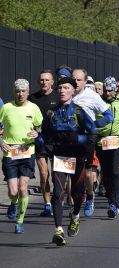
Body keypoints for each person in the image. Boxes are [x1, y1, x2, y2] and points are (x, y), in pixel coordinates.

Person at [41, 77, 97, 246]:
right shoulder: (51, 112)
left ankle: (76, 215)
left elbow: (93, 134)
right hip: (60, 157)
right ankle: (59, 230)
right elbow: (44, 134)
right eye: (60, 88)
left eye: (66, 88)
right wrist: (39, 139)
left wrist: (77, 138)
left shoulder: (79, 111)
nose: (62, 91)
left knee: (76, 194)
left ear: (73, 91)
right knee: (58, 194)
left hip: (78, 157)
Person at [0, 79, 43, 233]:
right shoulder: (6, 108)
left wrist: (36, 133)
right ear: (14, 91)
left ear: (28, 91)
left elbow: (39, 126)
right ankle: (13, 203)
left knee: (23, 188)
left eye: (23, 91)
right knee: (13, 192)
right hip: (10, 153)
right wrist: (0, 141)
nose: (20, 94)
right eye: (18, 91)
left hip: (27, 152)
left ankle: (20, 221)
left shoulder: (34, 108)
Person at [72, 69, 113, 217]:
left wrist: (93, 125)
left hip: (86, 138)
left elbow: (109, 116)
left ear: (84, 81)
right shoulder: (64, 93)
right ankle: (74, 204)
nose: (75, 82)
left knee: (88, 174)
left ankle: (89, 196)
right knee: (71, 173)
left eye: (79, 80)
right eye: (73, 79)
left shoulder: (92, 96)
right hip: (68, 140)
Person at [96, 76, 119, 217]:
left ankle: (114, 203)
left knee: (116, 172)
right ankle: (111, 196)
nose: (108, 93)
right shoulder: (98, 102)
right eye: (106, 90)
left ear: (116, 90)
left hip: (118, 141)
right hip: (102, 141)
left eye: (111, 90)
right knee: (106, 173)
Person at [28, 69, 59, 217]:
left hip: (57, 141)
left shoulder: (58, 96)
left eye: (47, 80)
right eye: (41, 80)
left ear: (52, 82)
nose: (44, 82)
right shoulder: (33, 98)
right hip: (40, 140)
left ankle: (58, 199)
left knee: (56, 174)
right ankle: (47, 204)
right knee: (43, 173)